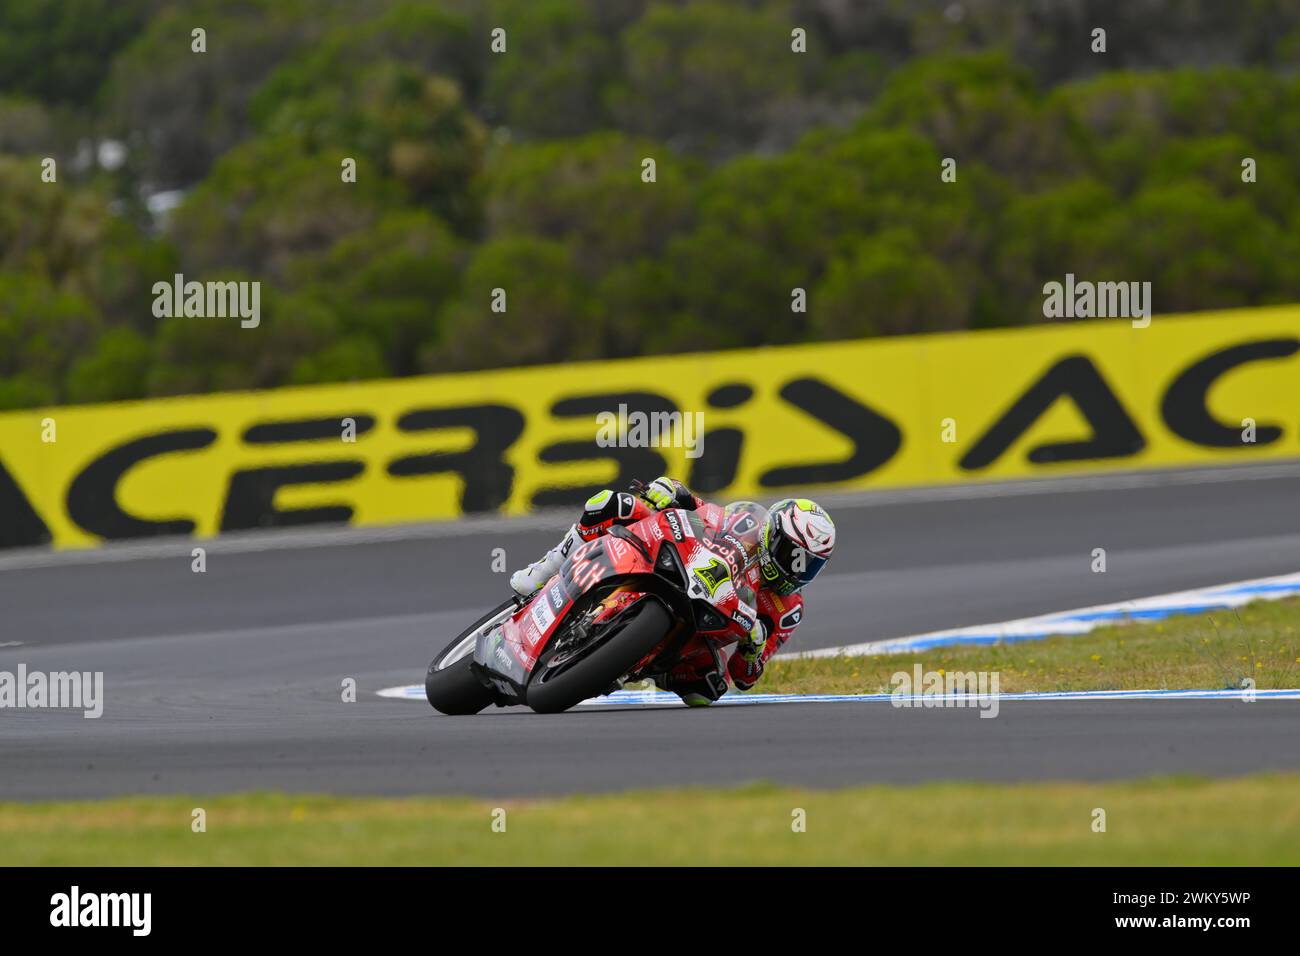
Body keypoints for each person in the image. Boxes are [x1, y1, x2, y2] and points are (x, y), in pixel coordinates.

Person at [510, 476, 836, 705]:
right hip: (676, 561)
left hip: (703, 627)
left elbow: (745, 678)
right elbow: (698, 506)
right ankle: (546, 569)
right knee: (610, 503)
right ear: (773, 536)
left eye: (809, 565)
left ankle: (639, 666)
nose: (797, 570)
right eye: (793, 556)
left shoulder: (788, 609)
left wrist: (753, 649)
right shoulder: (744, 523)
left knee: (708, 689)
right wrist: (671, 490)